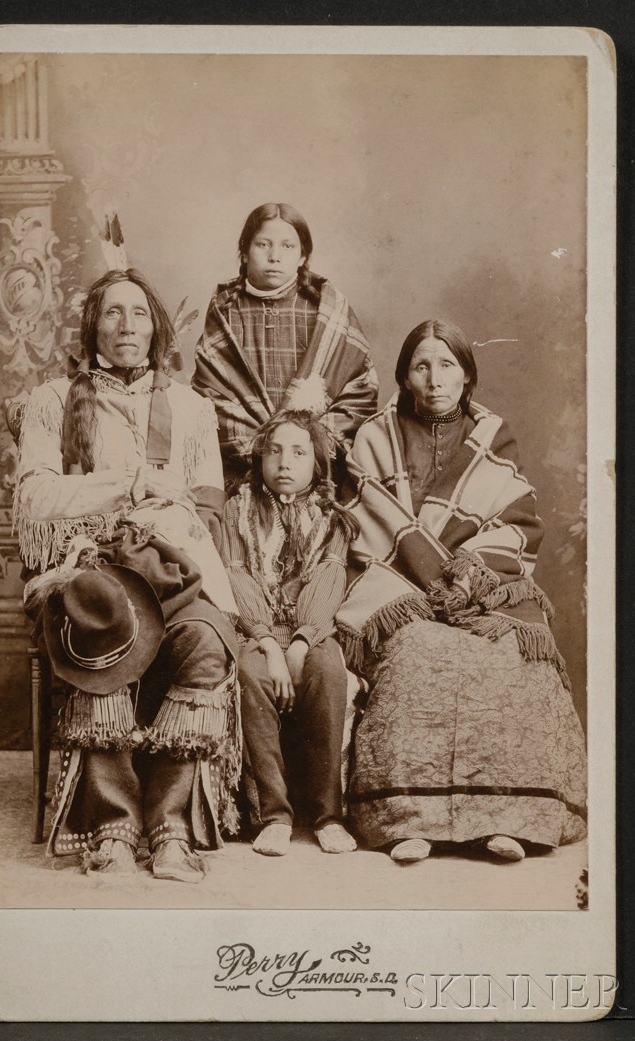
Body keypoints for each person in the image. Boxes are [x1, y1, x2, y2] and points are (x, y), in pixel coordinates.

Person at [13, 268, 241, 883]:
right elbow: (33, 499)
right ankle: (113, 826)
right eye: (113, 313)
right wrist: (122, 486)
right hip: (83, 560)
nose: (126, 326)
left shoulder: (192, 409)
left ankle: (170, 828)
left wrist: (167, 511)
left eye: (138, 314)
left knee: (203, 639)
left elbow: (211, 506)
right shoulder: (53, 402)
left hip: (171, 564)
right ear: (93, 326)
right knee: (100, 614)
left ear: (156, 326)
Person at [336, 319, 587, 863]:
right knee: (415, 655)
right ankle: (406, 820)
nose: (434, 378)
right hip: (398, 581)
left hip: (482, 588)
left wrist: (469, 573)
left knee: (516, 659)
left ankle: (508, 821)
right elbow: (369, 519)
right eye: (421, 365)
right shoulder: (376, 435)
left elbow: (518, 521)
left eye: (447, 364)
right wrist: (431, 576)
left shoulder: (494, 436)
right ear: (404, 375)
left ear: (467, 375)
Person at [221, 410, 360, 856]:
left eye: (298, 452)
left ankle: (327, 815)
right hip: (254, 630)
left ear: (317, 464)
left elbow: (329, 581)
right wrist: (266, 641)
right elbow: (236, 577)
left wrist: (301, 640)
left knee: (329, 673)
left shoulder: (332, 519)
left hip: (310, 632)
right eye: (275, 451)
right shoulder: (237, 510)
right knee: (250, 673)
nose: (285, 463)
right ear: (260, 458)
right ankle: (274, 815)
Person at [192, 202, 379, 490]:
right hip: (240, 475)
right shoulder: (224, 311)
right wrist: (265, 453)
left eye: (288, 247)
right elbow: (210, 397)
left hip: (319, 474)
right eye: (263, 244)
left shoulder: (327, 310)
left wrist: (307, 450)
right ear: (243, 252)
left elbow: (359, 391)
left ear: (303, 256)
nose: (275, 256)